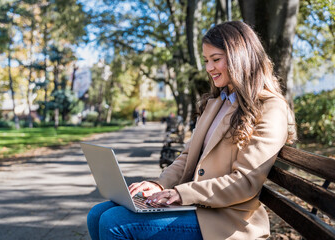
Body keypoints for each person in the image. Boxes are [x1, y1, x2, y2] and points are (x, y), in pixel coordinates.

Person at [87, 21, 296, 240]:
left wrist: (180, 193)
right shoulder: (216, 103)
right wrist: (159, 184)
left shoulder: (271, 107)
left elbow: (245, 182)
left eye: (216, 59)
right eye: (206, 61)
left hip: (228, 219)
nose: (209, 68)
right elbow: (187, 156)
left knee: (114, 223)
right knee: (97, 214)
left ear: (241, 57)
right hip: (198, 207)